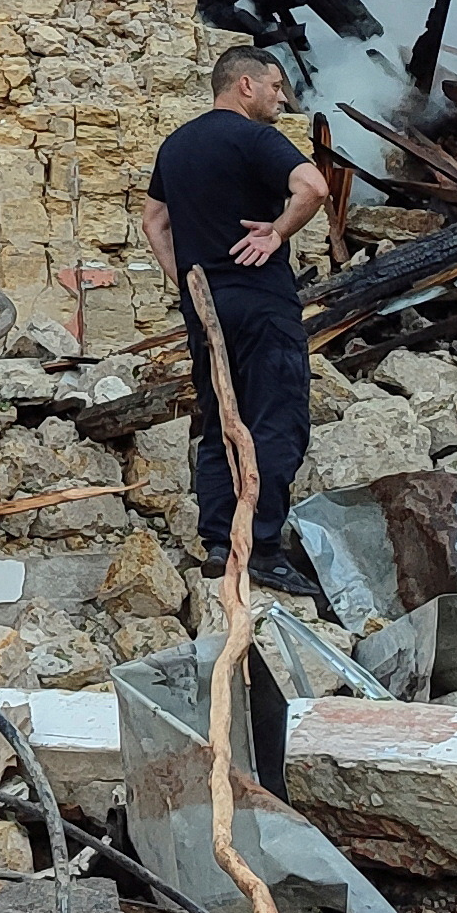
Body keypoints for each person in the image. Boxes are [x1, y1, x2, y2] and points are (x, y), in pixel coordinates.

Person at [144, 44, 333, 599]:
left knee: (221, 415)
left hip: (206, 307)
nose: (282, 97)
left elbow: (155, 219)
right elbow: (315, 187)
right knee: (276, 416)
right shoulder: (255, 138)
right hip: (260, 301)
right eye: (275, 86)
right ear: (244, 85)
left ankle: (220, 545)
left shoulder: (176, 146)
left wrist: (184, 277)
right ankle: (264, 550)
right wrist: (277, 232)